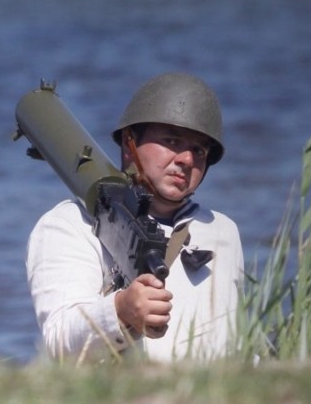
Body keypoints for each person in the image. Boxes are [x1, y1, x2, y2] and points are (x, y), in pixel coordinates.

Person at [26, 73, 244, 362]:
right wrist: (119, 310)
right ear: (130, 142)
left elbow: (234, 340)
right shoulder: (69, 224)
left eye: (199, 150)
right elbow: (60, 340)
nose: (187, 159)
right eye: (171, 140)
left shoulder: (221, 230)